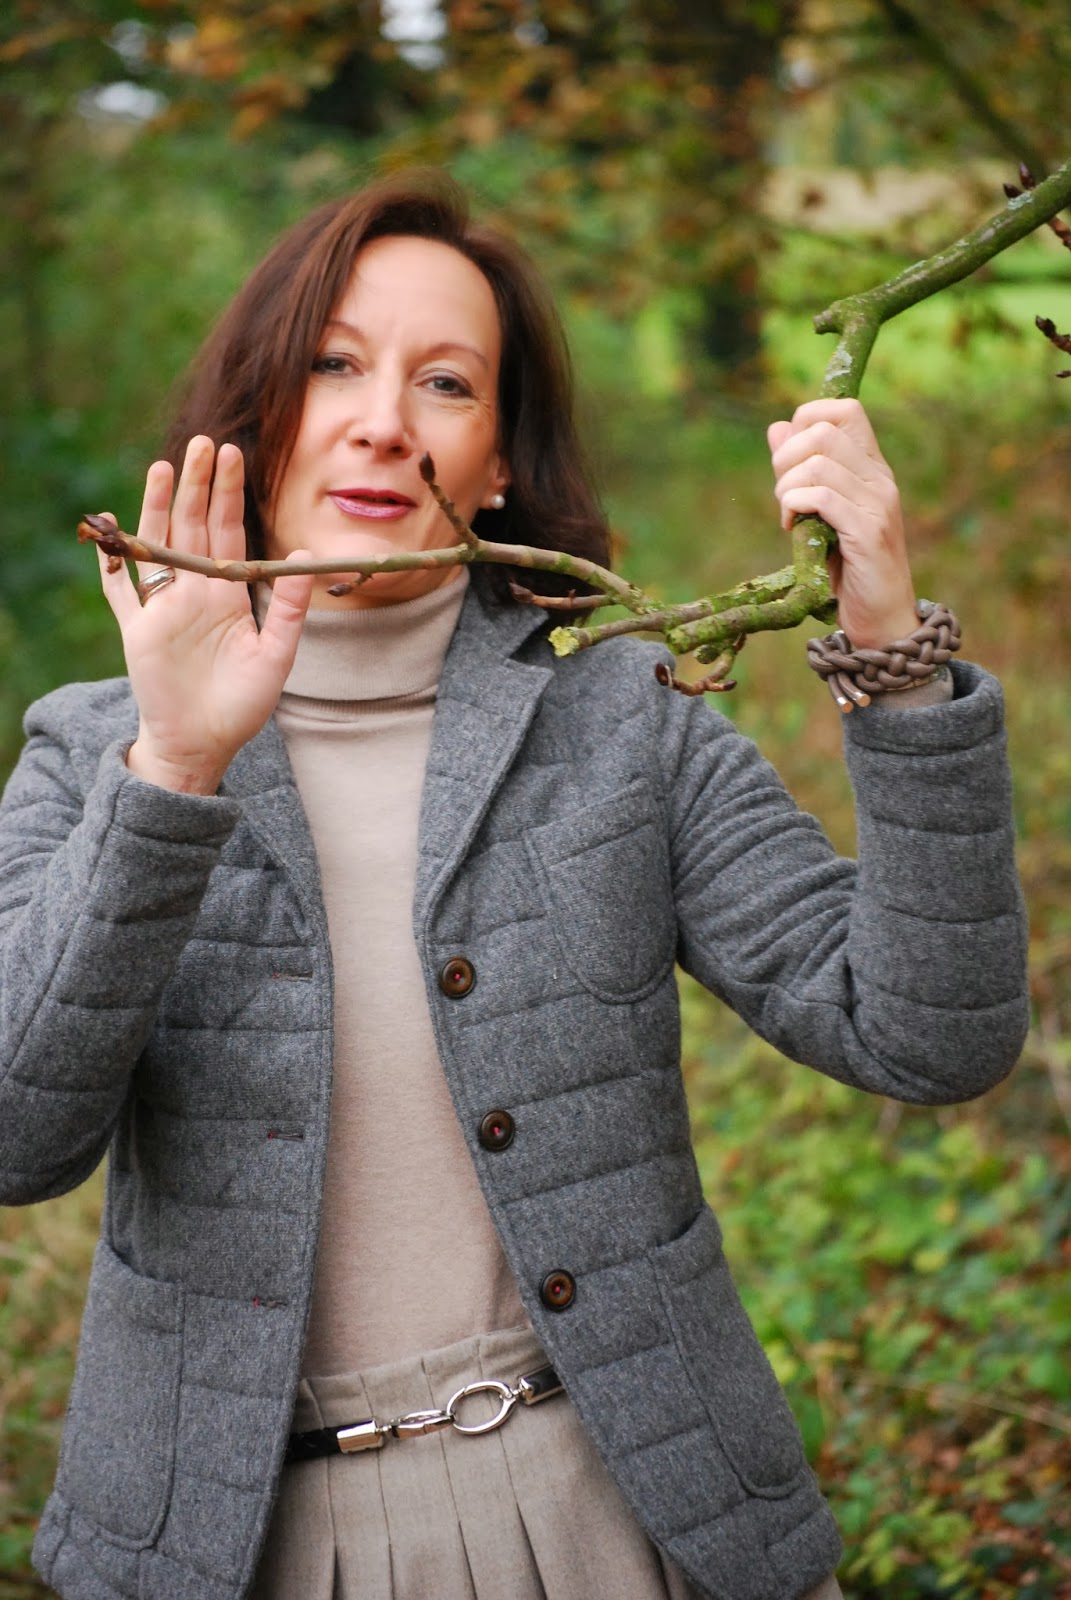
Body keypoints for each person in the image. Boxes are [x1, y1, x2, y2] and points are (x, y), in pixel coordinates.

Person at [0, 170, 1027, 1600]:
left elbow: (928, 1032)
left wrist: (891, 647)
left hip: (629, 1515)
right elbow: (15, 1138)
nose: (383, 422)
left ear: (496, 466)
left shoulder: (624, 718)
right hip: (244, 1548)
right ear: (258, 414)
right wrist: (172, 767)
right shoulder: (90, 754)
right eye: (334, 365)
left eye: (446, 383)